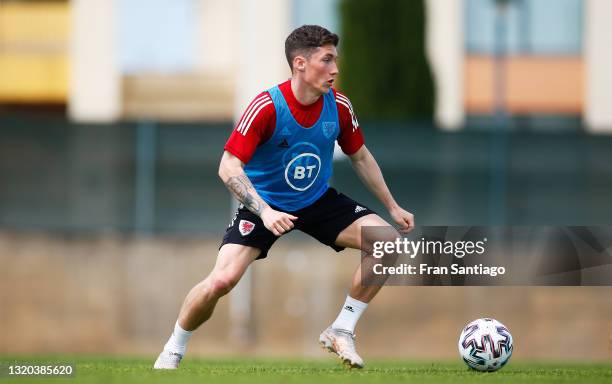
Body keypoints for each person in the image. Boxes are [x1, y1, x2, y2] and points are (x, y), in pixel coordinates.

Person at [154, 25, 414, 370]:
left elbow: (361, 157)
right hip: (263, 204)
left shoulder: (338, 106)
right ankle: (174, 347)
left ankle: (341, 329)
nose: (335, 69)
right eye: (327, 60)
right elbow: (228, 165)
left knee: (387, 243)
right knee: (221, 281)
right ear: (300, 64)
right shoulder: (266, 107)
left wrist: (393, 206)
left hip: (317, 200)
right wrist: (263, 211)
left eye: (336, 59)